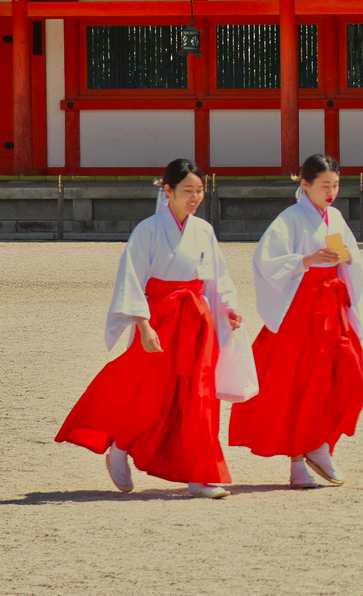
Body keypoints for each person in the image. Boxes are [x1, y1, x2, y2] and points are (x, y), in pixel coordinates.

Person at [57, 159, 242, 499]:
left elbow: (218, 275)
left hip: (197, 320)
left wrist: (227, 307)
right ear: (167, 190)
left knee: (199, 397)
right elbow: (132, 279)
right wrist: (143, 325)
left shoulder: (204, 231)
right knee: (149, 393)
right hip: (160, 317)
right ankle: (121, 447)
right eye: (187, 190)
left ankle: (200, 475)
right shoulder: (148, 230)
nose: (195, 197)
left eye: (200, 191)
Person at [229, 154, 363, 489]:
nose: (331, 192)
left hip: (332, 305)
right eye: (324, 185)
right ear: (305, 185)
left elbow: (343, 254)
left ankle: (319, 444)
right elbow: (265, 259)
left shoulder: (331, 217)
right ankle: (297, 462)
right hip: (302, 308)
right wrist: (306, 259)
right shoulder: (290, 219)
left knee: (347, 375)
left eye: (335, 185)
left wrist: (341, 256)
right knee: (301, 383)